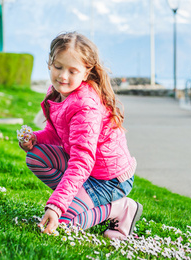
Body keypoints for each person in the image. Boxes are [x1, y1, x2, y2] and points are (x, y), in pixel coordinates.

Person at [20, 32, 142, 239]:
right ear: (50, 63)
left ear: (86, 73)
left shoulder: (85, 106)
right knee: (35, 156)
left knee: (63, 225)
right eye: (58, 67)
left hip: (108, 180)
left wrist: (57, 206)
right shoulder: (59, 92)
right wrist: (37, 138)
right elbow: (57, 133)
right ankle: (81, 199)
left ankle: (121, 208)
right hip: (89, 171)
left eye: (72, 71)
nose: (63, 76)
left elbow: (81, 161)